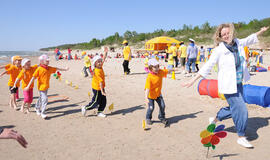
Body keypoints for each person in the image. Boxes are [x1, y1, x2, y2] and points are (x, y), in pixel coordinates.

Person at [182, 24, 269, 148]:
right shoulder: (219, 50)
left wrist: (261, 31)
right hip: (228, 85)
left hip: (239, 83)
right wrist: (193, 80)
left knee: (234, 107)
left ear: (232, 32)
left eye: (228, 33)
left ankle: (215, 119)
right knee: (241, 108)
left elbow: (249, 39)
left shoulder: (238, 43)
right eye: (223, 35)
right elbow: (208, 65)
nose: (226, 36)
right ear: (220, 37)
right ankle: (241, 136)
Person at [25, 54, 69, 119]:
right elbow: (33, 78)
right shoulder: (39, 69)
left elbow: (57, 68)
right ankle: (43, 113)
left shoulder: (49, 68)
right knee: (45, 99)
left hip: (46, 87)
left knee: (41, 98)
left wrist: (65, 69)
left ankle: (37, 108)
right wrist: (28, 86)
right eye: (47, 61)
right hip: (41, 87)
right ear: (42, 61)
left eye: (48, 61)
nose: (48, 62)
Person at [144, 58, 174, 125]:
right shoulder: (149, 77)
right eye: (155, 67)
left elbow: (166, 71)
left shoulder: (160, 72)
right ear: (150, 68)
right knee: (151, 108)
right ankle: (148, 118)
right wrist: (146, 98)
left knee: (162, 106)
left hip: (158, 94)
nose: (157, 68)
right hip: (150, 96)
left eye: (158, 66)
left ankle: (161, 117)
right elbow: (147, 88)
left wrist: (172, 69)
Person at [81, 47, 108, 118]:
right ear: (95, 64)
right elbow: (100, 82)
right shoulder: (96, 71)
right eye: (98, 62)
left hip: (101, 88)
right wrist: (102, 91)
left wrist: (105, 52)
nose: (100, 63)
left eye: (100, 61)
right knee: (95, 102)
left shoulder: (100, 66)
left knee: (104, 101)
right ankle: (85, 107)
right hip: (97, 88)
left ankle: (99, 112)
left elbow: (104, 59)